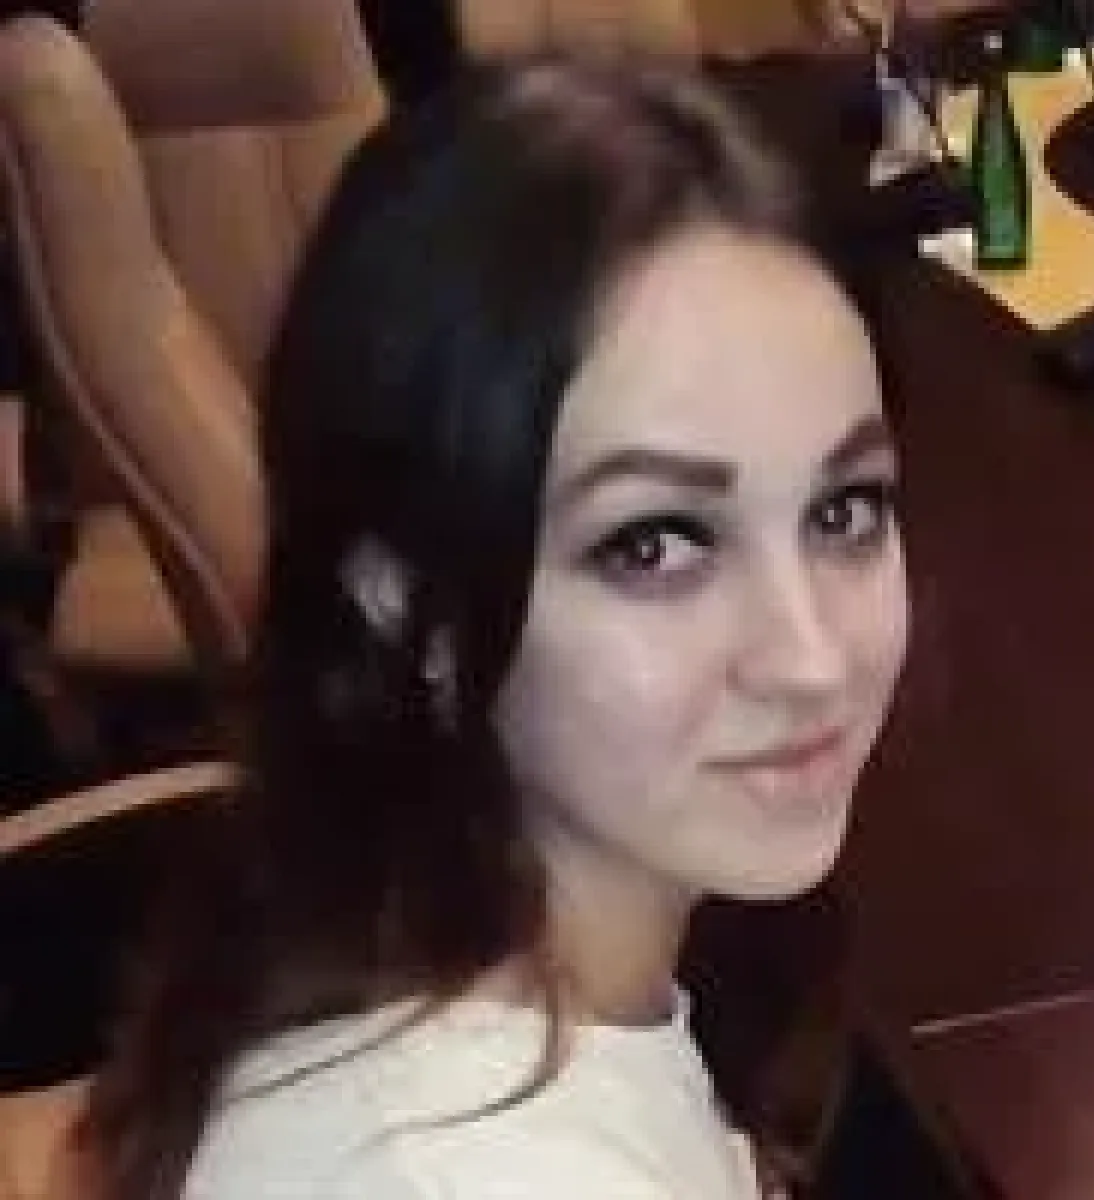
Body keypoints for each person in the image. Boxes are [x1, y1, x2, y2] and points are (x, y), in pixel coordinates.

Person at [77, 53, 909, 1200]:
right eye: (655, 544)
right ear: (404, 602)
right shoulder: (461, 1169)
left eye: (844, 510)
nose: (811, 660)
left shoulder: (461, 929)